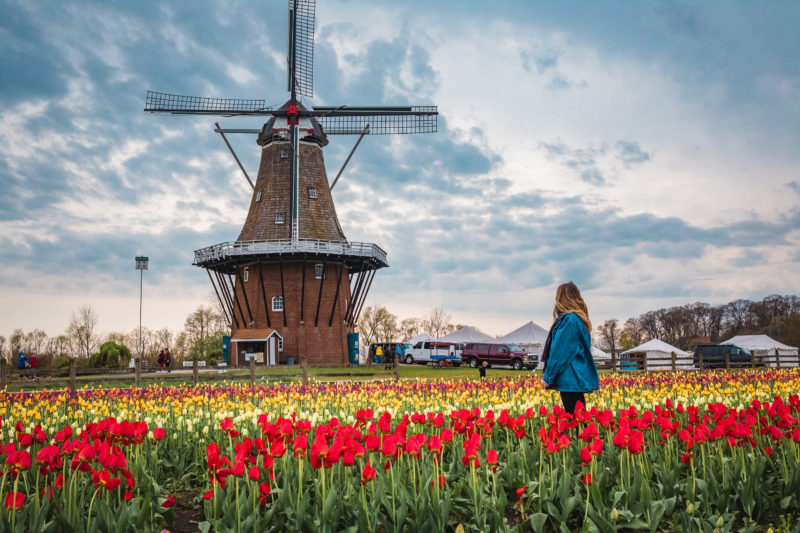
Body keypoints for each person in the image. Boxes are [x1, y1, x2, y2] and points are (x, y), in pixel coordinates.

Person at [541, 281, 599, 415]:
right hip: (576, 376)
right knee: (578, 418)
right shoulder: (580, 319)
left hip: (570, 377)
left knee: (576, 420)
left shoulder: (570, 321)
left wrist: (548, 377)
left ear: (561, 299)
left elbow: (559, 352)